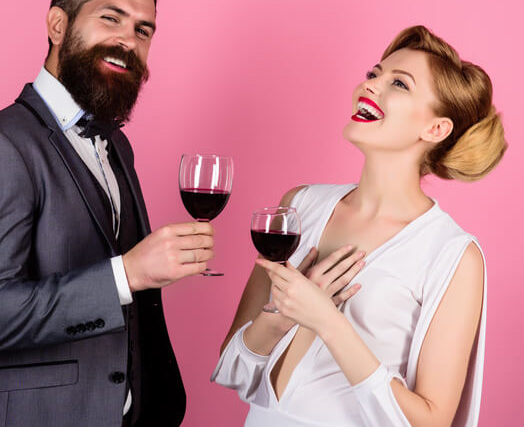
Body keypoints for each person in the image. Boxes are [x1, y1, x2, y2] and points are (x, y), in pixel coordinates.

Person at [0, 0, 215, 427]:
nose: (127, 41)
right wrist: (126, 273)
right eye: (110, 18)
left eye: (143, 30)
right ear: (58, 24)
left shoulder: (118, 145)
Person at [212, 25, 507, 426]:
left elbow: (432, 421)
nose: (370, 86)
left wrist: (327, 320)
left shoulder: (452, 254)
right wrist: (280, 317)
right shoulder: (299, 206)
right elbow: (233, 368)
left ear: (435, 129)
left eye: (398, 84)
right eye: (373, 74)